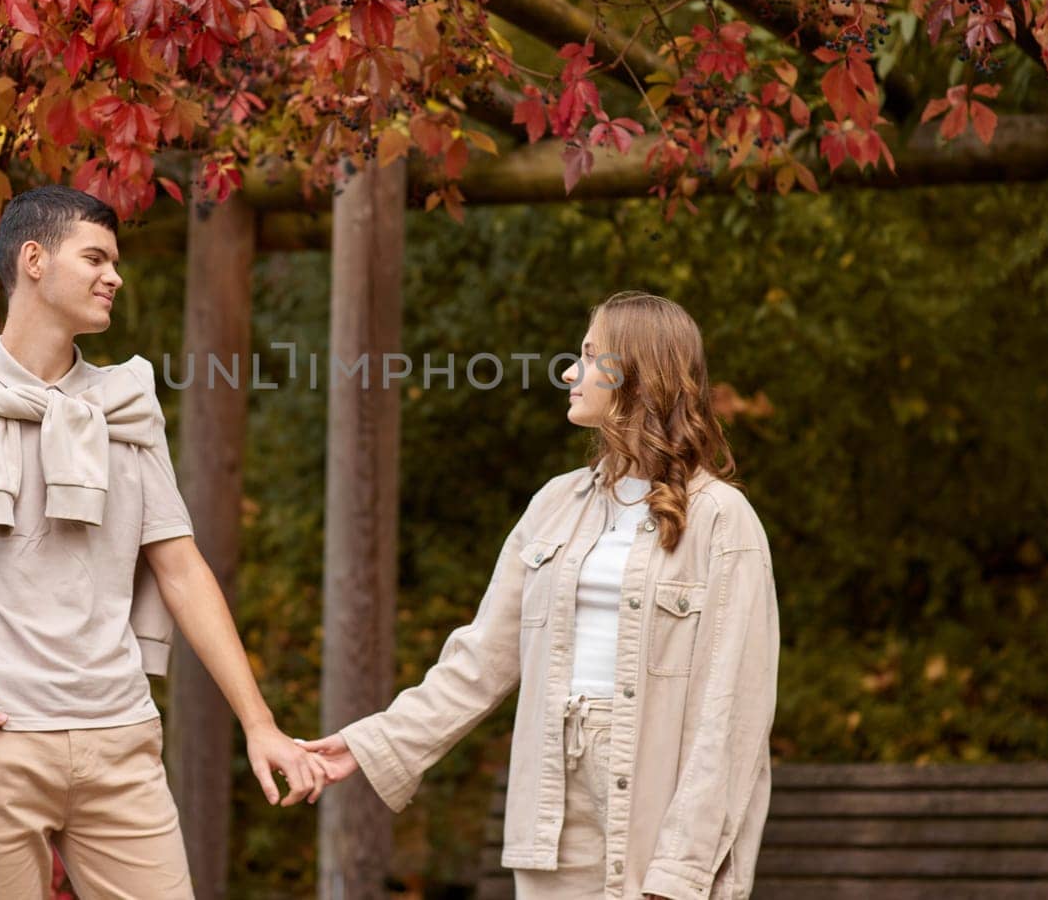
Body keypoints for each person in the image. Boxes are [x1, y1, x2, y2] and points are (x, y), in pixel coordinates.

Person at [0, 185, 322, 899]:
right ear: (33, 261)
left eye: (116, 261)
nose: (114, 276)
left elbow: (182, 570)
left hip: (120, 740)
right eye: (95, 257)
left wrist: (261, 723)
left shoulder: (126, 409)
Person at [304, 292, 780, 899]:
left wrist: (681, 869)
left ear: (635, 373)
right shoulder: (555, 504)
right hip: (553, 802)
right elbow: (481, 658)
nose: (569, 373)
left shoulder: (722, 520)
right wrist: (372, 743)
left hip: (656, 807)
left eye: (588, 355)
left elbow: (733, 713)